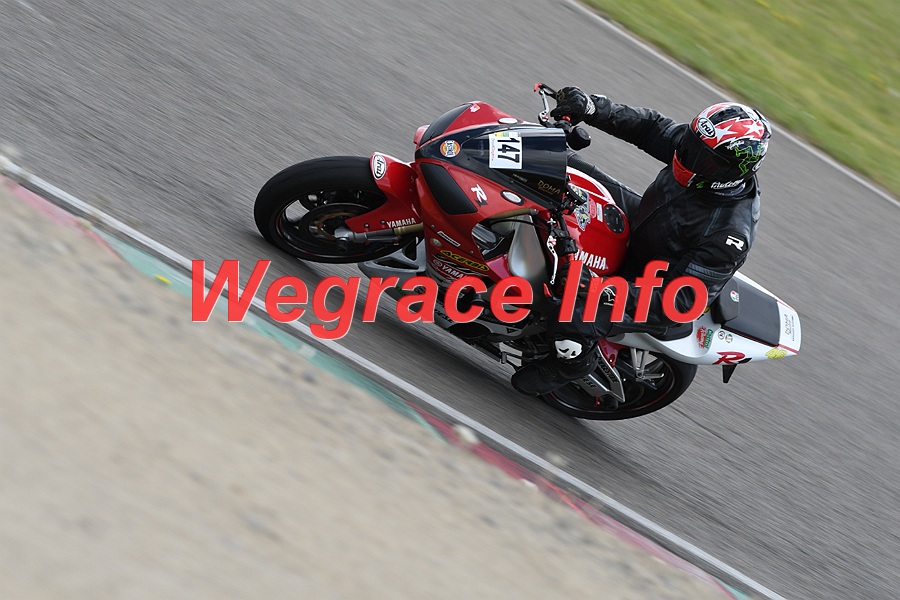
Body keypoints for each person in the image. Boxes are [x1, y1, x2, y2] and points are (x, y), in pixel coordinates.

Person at [511, 86, 771, 396]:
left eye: (703, 157)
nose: (687, 155)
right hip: (647, 223)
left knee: (572, 313)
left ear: (731, 171)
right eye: (691, 143)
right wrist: (593, 108)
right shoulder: (701, 151)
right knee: (558, 161)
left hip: (651, 283)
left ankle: (573, 363)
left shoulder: (729, 234)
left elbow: (681, 300)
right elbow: (651, 127)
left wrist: (602, 291)